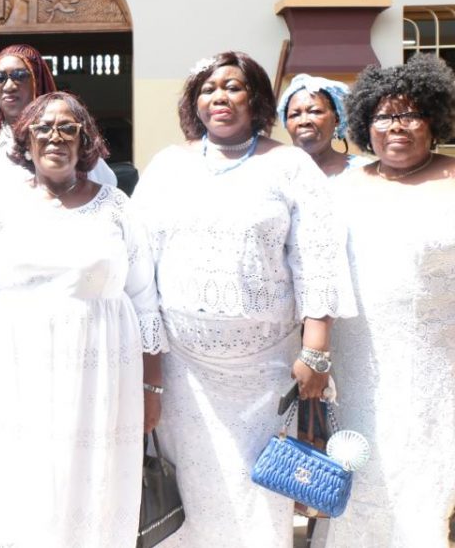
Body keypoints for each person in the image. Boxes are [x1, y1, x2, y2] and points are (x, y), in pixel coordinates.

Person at [129, 51, 353, 547]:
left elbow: (316, 257)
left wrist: (315, 350)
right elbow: (138, 260)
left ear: (255, 98)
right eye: (209, 89)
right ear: (195, 103)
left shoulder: (290, 165)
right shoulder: (168, 165)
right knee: (185, 487)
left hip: (264, 372)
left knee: (258, 490)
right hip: (182, 369)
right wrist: (146, 360)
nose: (220, 97)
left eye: (232, 87)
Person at [0, 91, 165, 546]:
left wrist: (152, 388)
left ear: (86, 141)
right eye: (43, 128)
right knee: (22, 485)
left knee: (92, 487)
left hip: (101, 376)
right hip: (16, 376)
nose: (55, 138)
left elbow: (146, 304)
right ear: (26, 140)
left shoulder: (117, 206)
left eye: (68, 128)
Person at [326, 54, 455, 547]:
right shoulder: (345, 188)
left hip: (435, 366)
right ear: (364, 123)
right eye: (383, 115)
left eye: (410, 114)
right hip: (357, 364)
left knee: (424, 485)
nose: (395, 126)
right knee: (360, 479)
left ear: (434, 120)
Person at [0, 44, 116, 188]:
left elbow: (104, 191)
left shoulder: (69, 139)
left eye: (20, 75)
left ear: (38, 81)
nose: (9, 86)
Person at [277, 73, 370, 176]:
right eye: (294, 115)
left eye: (315, 111)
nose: (304, 121)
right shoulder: (272, 172)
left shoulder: (363, 171)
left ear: (336, 119)